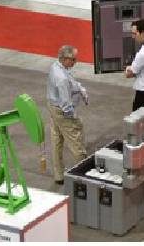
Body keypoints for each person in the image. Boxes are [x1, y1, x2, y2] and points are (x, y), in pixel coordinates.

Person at [46, 45, 88, 185]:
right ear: (64, 59)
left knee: (56, 140)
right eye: (73, 60)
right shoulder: (61, 78)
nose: (75, 62)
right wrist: (73, 118)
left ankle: (59, 175)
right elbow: (66, 104)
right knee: (76, 141)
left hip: (52, 107)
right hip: (62, 111)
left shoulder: (55, 66)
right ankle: (83, 174)